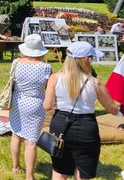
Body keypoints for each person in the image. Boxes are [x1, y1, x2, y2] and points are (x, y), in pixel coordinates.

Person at [43, 42, 123, 180]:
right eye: (91, 58)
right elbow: (112, 108)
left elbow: (47, 106)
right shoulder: (95, 82)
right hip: (86, 127)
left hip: (61, 124)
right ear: (86, 60)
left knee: (59, 168)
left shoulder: (55, 78)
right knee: (82, 169)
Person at [9, 34, 52, 179]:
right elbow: (49, 87)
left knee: (15, 134)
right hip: (35, 103)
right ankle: (29, 176)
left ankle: (15, 167)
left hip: (17, 100)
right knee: (31, 141)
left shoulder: (16, 63)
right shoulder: (46, 67)